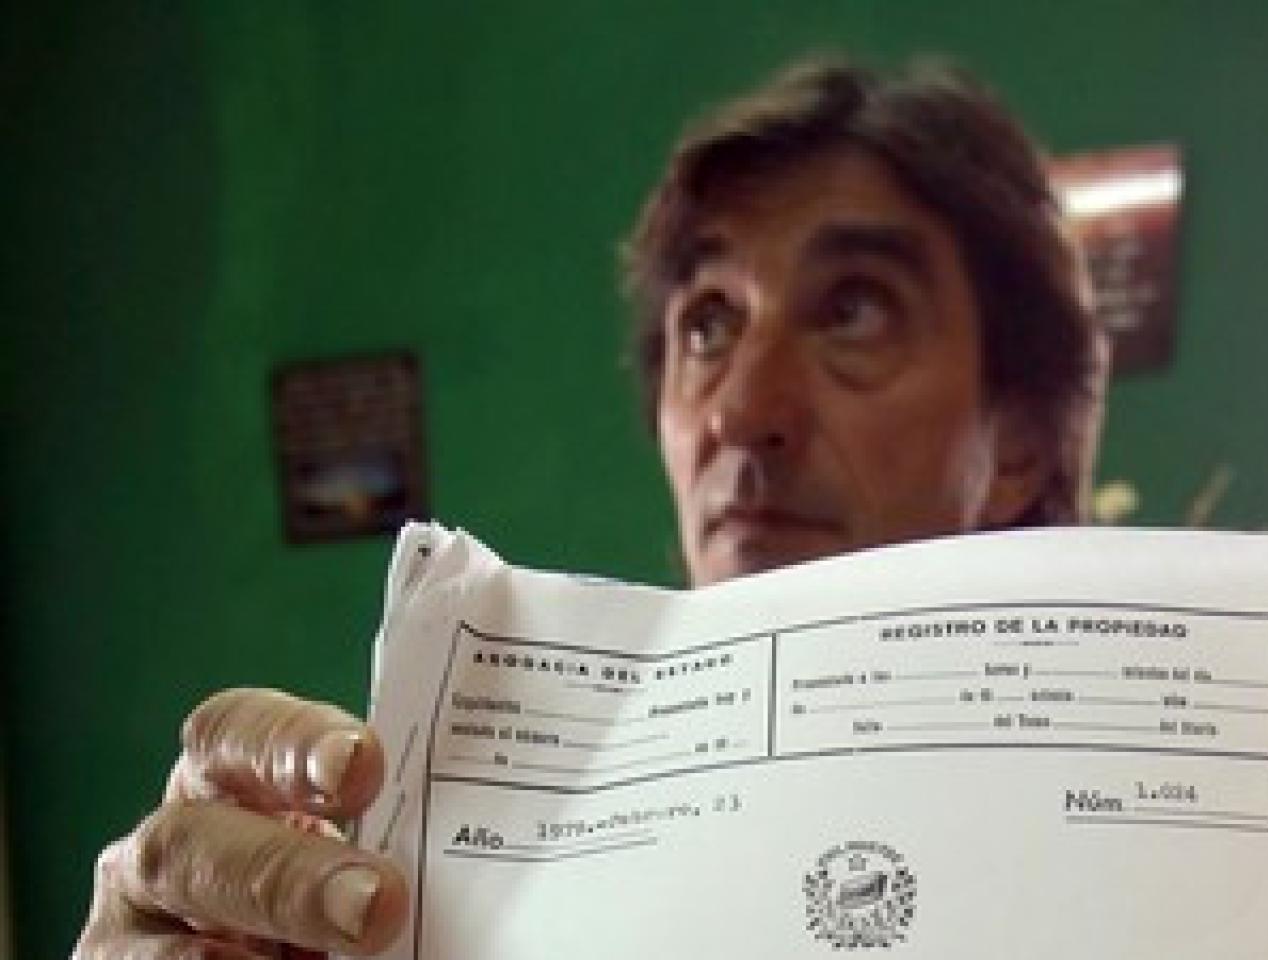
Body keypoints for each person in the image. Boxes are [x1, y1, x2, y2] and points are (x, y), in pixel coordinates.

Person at [73, 56, 1107, 959]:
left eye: (854, 309)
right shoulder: (460, 855)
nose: (741, 411)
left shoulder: (1149, 853)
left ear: (1017, 440)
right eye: (708, 324)